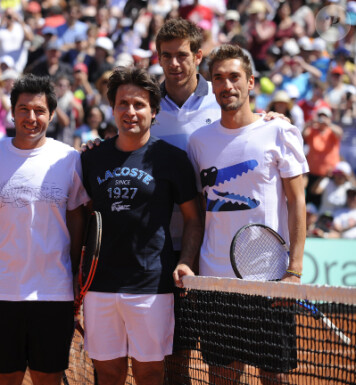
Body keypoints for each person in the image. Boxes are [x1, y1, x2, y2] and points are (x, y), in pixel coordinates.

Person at [183, 44, 308, 384]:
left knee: (273, 378)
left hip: (270, 278)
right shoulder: (198, 142)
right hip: (215, 279)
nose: (227, 85)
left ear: (251, 82)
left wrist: (294, 271)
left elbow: (298, 202)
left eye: (235, 77)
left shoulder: (279, 130)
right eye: (219, 78)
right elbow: (198, 208)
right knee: (222, 376)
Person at [80, 66, 203, 385]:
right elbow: (82, 215)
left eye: (139, 104)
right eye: (123, 103)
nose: (130, 111)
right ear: (113, 108)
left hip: (152, 286)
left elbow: (193, 217)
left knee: (149, 373)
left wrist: (186, 260)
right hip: (100, 286)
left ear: (154, 110)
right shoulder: (91, 158)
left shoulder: (172, 159)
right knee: (107, 374)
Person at [0, 74, 89, 385]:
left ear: (51, 114)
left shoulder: (69, 158)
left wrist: (73, 270)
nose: (31, 118)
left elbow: (77, 216)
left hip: (53, 292)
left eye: (39, 111)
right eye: (23, 109)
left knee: (47, 381)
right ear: (12, 112)